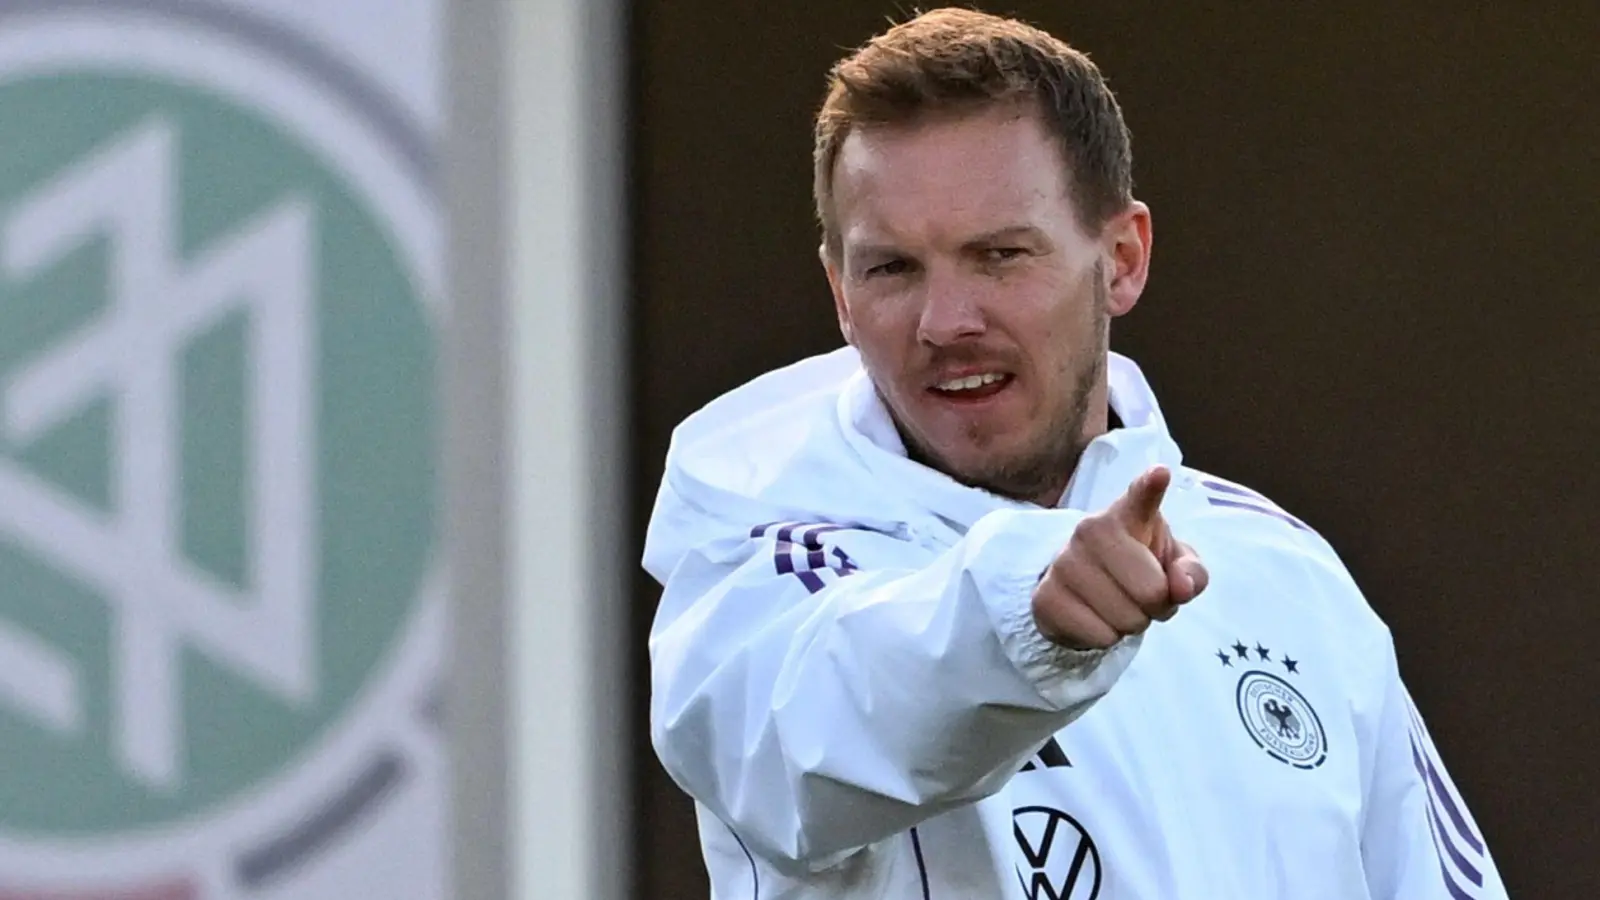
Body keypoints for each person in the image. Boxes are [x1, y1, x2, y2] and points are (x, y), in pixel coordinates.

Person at [642, 8, 1508, 898]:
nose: (946, 323)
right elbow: (811, 743)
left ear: (1123, 259)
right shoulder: (761, 563)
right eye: (892, 269)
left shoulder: (1285, 573)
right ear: (839, 294)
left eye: (1000, 256)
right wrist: (1029, 615)